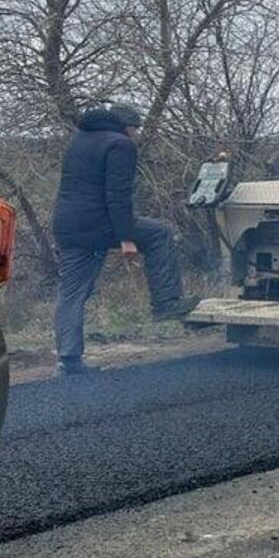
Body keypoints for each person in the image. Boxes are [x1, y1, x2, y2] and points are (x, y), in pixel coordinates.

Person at [51, 103, 196, 376]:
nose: (136, 134)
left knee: (71, 292)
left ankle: (68, 359)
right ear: (126, 126)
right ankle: (167, 303)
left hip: (66, 224)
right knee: (159, 233)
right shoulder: (120, 145)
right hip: (98, 224)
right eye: (135, 128)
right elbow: (117, 195)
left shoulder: (80, 139)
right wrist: (126, 238)